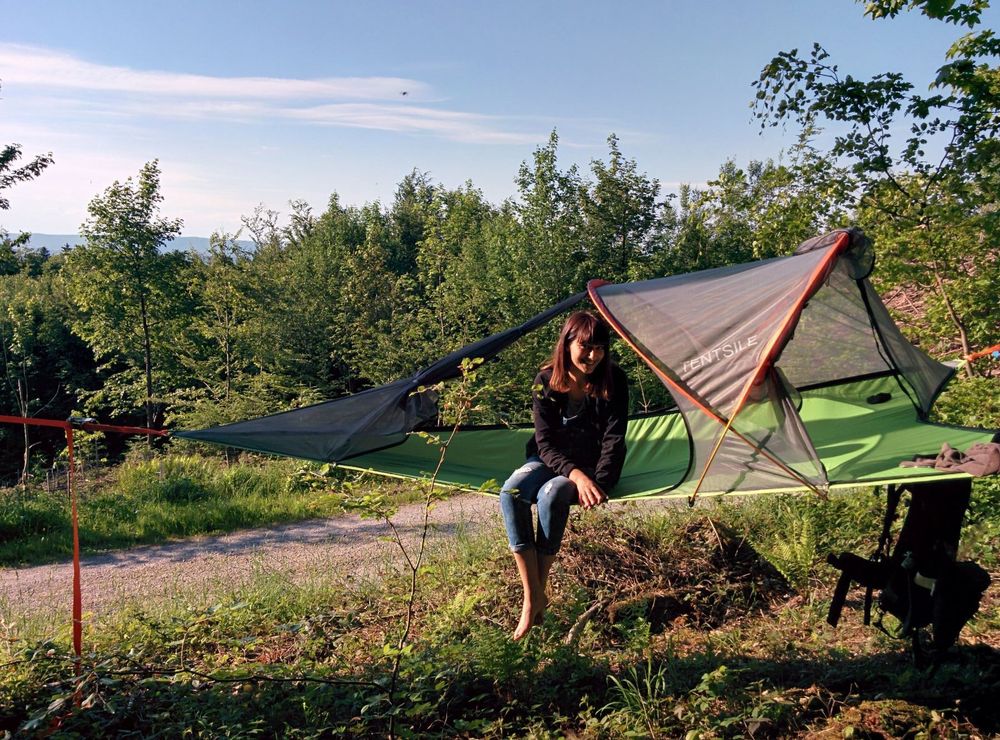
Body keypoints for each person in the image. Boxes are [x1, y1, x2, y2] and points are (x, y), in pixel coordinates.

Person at [499, 310, 628, 640]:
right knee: (511, 492)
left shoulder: (615, 379)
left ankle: (535, 599)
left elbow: (614, 438)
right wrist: (575, 475)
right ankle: (533, 597)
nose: (593, 356)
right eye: (585, 347)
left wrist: (599, 481)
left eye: (600, 348)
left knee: (552, 493)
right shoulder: (545, 381)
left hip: (592, 465)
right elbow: (544, 443)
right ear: (567, 344)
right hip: (549, 459)